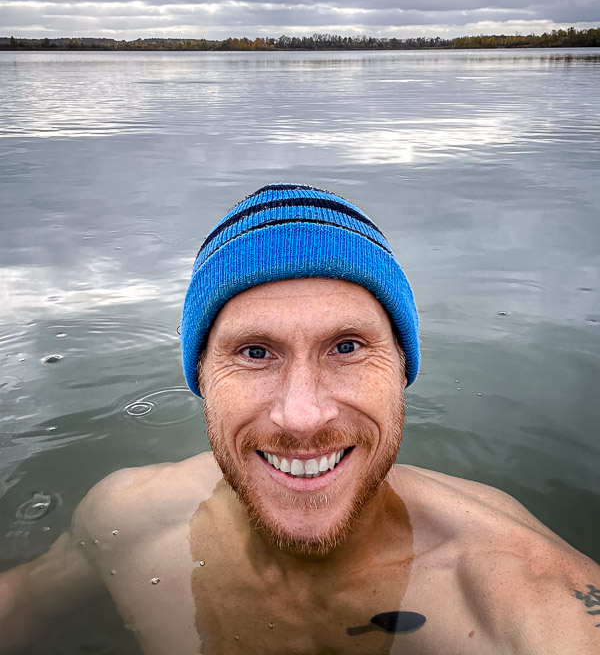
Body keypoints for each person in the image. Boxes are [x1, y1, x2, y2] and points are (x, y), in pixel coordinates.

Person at [0, 183, 598, 655]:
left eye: (346, 347)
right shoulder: (124, 521)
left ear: (402, 370)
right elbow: (22, 604)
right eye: (254, 353)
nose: (303, 415)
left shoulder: (526, 605)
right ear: (201, 378)